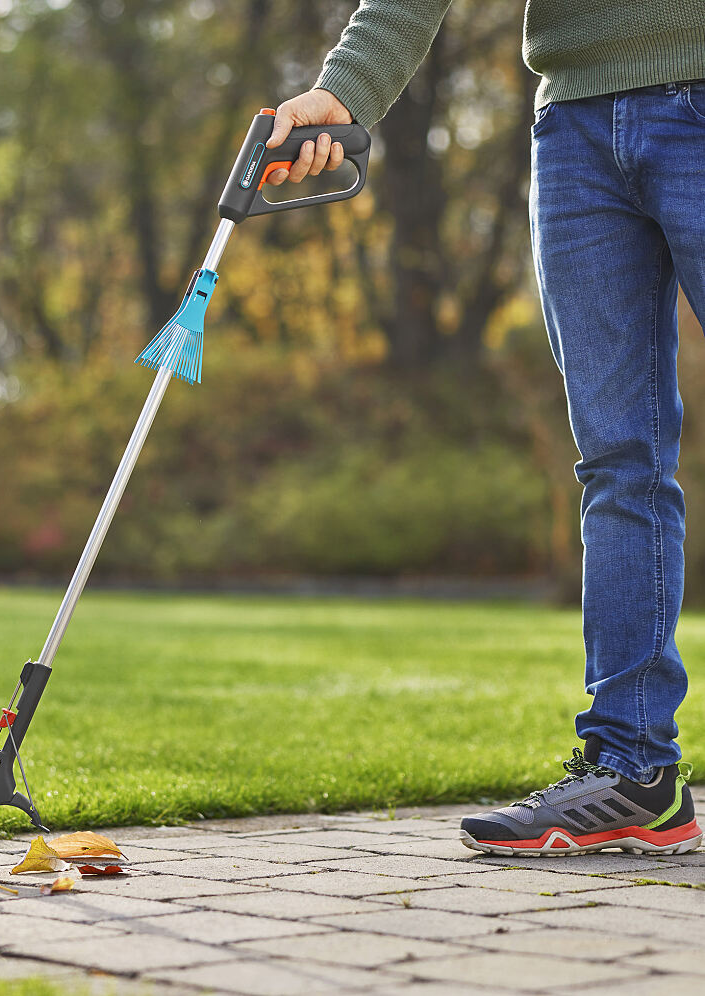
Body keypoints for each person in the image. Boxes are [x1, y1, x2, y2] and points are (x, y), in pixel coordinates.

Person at [268, 1, 705, 856]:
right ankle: (632, 770)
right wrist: (345, 89)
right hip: (572, 121)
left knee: (622, 463)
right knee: (618, 461)